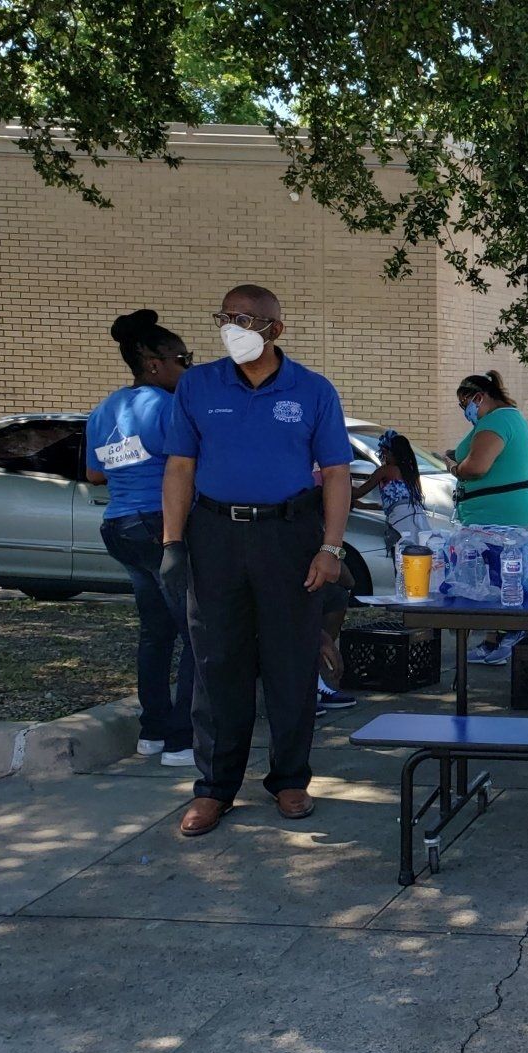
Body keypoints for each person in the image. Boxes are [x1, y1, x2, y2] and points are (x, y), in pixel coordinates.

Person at [161, 284, 353, 838]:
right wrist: (172, 543)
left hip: (289, 537)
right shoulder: (198, 385)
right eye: (225, 317)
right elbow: (179, 467)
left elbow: (336, 473)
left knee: (291, 662)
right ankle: (214, 789)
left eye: (246, 319)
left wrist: (331, 547)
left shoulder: (312, 390)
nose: (233, 328)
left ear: (275, 330)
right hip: (215, 535)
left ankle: (290, 779)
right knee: (217, 662)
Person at [86, 310, 196, 768]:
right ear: (154, 364)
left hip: (120, 527)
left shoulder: (104, 410)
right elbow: (189, 464)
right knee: (197, 633)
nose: (188, 367)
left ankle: (152, 732)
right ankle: (182, 741)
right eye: (182, 359)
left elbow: (95, 474)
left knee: (156, 632)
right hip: (161, 527)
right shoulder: (168, 407)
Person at [448, 370, 528, 665]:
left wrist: (454, 467)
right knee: (496, 584)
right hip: (499, 517)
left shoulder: (496, 422)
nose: (465, 411)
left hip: (498, 521)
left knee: (500, 582)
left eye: (465, 404)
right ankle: (494, 640)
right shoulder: (509, 419)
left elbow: (476, 467)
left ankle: (508, 636)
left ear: (479, 397)